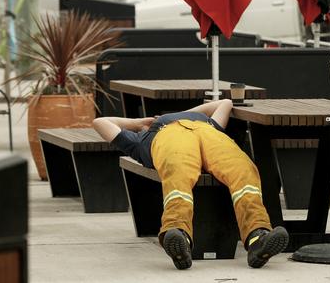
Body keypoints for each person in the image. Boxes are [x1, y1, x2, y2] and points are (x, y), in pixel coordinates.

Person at [93, 99, 289, 269]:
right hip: (169, 138)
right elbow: (100, 122)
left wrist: (185, 115)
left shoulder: (211, 123)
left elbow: (225, 103)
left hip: (210, 135)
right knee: (178, 173)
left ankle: (257, 238)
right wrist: (137, 124)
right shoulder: (140, 139)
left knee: (243, 169)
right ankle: (178, 236)